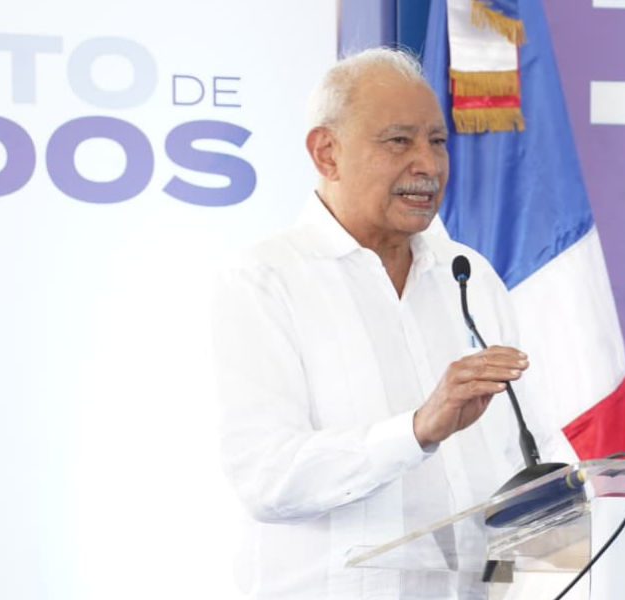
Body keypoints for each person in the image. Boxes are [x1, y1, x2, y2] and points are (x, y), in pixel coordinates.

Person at [212, 48, 572, 600]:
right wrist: (417, 430)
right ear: (326, 153)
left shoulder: (470, 275)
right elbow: (267, 477)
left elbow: (535, 449)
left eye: (437, 141)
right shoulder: (266, 279)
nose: (428, 165)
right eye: (399, 141)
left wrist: (565, 548)